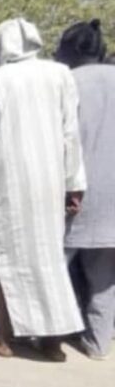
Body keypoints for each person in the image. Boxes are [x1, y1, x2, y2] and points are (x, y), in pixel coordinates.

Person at [0, 18, 86, 362]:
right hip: (50, 182)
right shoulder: (61, 75)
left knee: (7, 257)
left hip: (9, 182)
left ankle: (3, 338)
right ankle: (51, 343)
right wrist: (73, 184)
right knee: (48, 257)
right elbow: (70, 134)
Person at [56, 19, 115, 361]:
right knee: (105, 278)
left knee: (54, 268)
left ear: (74, 50)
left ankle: (46, 335)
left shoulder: (67, 83)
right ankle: (97, 343)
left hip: (75, 196)